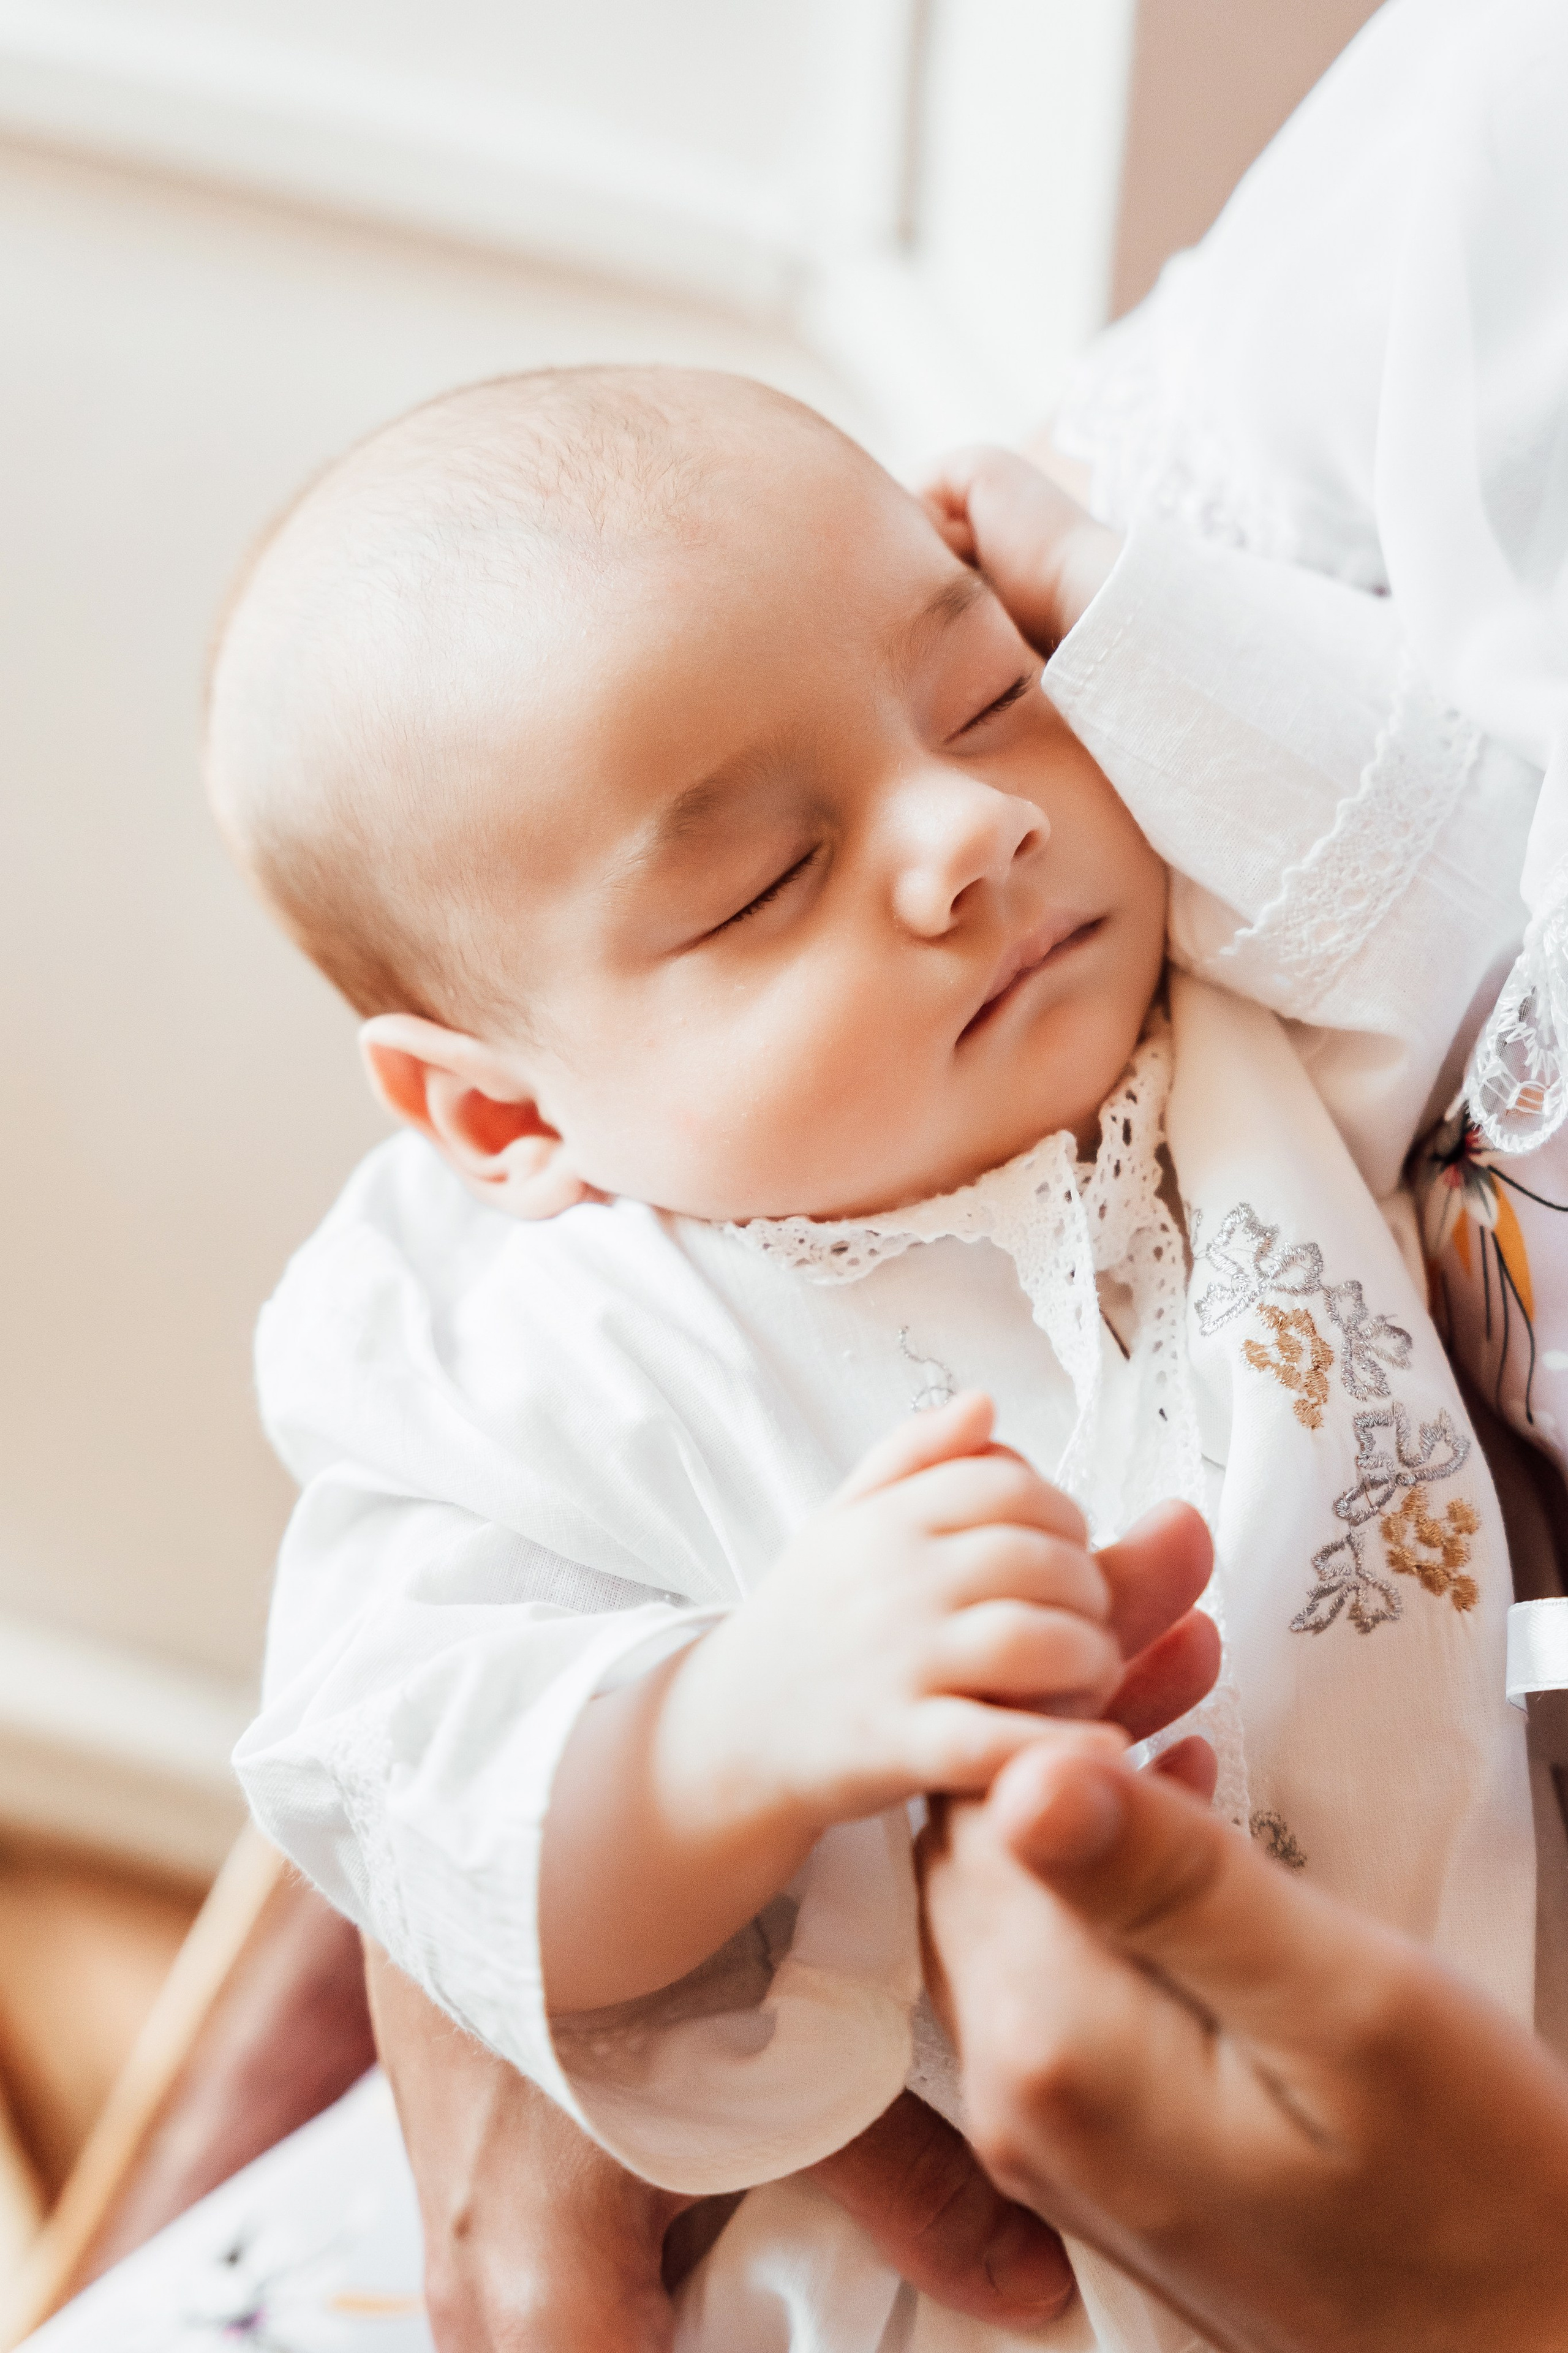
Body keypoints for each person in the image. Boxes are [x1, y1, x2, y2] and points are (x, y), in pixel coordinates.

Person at [207, 352, 1536, 2348]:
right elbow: (417, 1797)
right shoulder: (537, 1350)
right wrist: (729, 1727)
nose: (970, 827)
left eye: (991, 689)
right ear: (506, 1120)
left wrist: (1098, 576)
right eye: (766, 879)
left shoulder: (1237, 1031)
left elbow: (1448, 861)